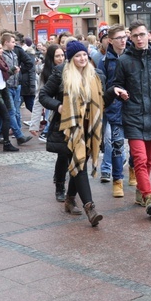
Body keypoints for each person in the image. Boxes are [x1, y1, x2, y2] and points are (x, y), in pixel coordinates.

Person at [109, 20, 151, 216]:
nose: (139, 38)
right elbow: (116, 84)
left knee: (147, 162)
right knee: (139, 158)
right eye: (135, 35)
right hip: (133, 115)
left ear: (149, 36)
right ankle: (149, 196)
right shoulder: (124, 61)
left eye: (142, 34)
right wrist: (119, 92)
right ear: (131, 37)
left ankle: (140, 191)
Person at [39, 41, 105, 226]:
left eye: (84, 54)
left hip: (89, 129)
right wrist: (59, 106)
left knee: (79, 164)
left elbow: (102, 101)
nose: (82, 58)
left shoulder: (96, 75)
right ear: (71, 58)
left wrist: (115, 94)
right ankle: (90, 208)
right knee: (80, 165)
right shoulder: (62, 73)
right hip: (69, 129)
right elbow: (43, 95)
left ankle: (69, 199)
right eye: (77, 56)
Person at [99, 25, 132, 196]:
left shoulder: (133, 55)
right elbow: (102, 87)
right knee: (117, 145)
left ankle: (133, 170)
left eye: (124, 37)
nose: (123, 40)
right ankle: (117, 180)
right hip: (114, 109)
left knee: (135, 145)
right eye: (119, 38)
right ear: (110, 40)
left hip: (133, 107)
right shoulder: (104, 61)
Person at [31, 44, 65, 199]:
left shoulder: (70, 69)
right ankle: (59, 185)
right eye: (57, 56)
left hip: (72, 117)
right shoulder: (47, 73)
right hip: (56, 116)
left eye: (62, 55)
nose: (60, 59)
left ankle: (69, 185)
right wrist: (34, 123)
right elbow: (40, 98)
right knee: (62, 153)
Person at [0, 33, 33, 145]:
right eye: (13, 42)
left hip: (15, 85)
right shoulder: (1, 55)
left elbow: (25, 64)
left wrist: (19, 74)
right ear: (6, 42)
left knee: (3, 113)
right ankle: (19, 136)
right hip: (6, 86)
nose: (15, 44)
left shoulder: (14, 53)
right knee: (11, 111)